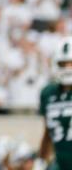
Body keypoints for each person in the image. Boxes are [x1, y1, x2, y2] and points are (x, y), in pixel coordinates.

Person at [36, 36, 72, 170]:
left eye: (71, 63)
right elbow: (48, 132)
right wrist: (41, 160)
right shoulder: (48, 93)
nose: (68, 68)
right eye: (63, 63)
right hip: (61, 161)